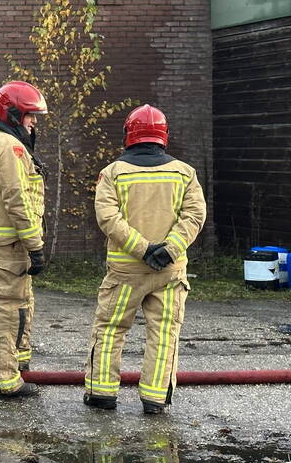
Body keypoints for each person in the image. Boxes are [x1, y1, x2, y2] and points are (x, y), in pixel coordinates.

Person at [83, 104, 206, 414]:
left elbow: (108, 217)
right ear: (163, 136)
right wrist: (169, 249)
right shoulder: (184, 173)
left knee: (111, 328)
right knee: (164, 333)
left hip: (126, 270)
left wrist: (142, 248)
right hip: (170, 271)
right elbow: (194, 215)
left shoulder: (112, 173)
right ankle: (154, 399)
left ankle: (102, 394)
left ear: (129, 135)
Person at [0, 81, 49, 399]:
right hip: (9, 240)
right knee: (8, 307)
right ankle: (5, 379)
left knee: (21, 302)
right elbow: (17, 198)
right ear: (14, 114)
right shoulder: (9, 146)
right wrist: (35, 244)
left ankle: (18, 363)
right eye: (30, 116)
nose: (34, 122)